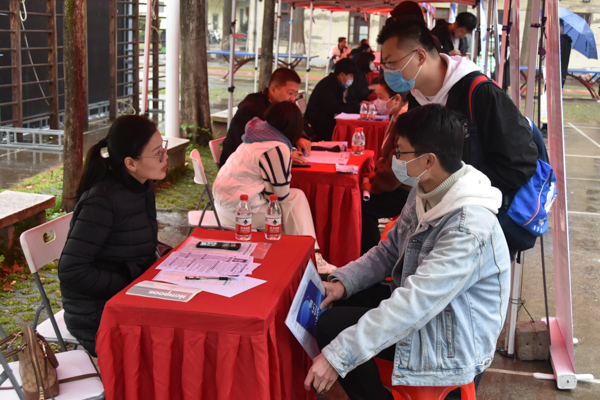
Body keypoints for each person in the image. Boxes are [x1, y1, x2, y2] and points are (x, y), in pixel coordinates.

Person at [304, 104, 511, 399]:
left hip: (450, 342)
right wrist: (343, 282)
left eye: (400, 153)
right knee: (332, 308)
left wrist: (338, 355)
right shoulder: (424, 188)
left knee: (335, 333)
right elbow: (389, 250)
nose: (394, 160)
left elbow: (416, 302)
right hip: (428, 310)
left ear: (428, 160)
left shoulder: (467, 228)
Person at [378, 18, 538, 257]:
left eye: (391, 63)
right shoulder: (417, 99)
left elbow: (520, 163)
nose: (387, 72)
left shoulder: (480, 93)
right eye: (384, 64)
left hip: (477, 226)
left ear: (420, 56)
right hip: (437, 221)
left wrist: (462, 191)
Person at [58, 115, 168, 356]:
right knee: (173, 342)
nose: (165, 157)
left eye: (164, 148)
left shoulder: (142, 186)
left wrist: (166, 256)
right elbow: (72, 271)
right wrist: (129, 284)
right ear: (130, 163)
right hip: (98, 314)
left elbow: (134, 240)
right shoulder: (102, 201)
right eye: (157, 153)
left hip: (130, 298)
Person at [213, 101, 336, 273]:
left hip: (222, 205)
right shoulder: (277, 147)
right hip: (239, 213)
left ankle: (301, 259)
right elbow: (279, 194)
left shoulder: (255, 135)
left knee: (296, 199)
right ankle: (311, 259)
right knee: (293, 207)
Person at [220, 68, 311, 166]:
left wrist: (298, 138)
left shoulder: (281, 108)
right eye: (290, 93)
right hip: (239, 166)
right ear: (273, 89)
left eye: (296, 94)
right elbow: (248, 148)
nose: (293, 99)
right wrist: (283, 155)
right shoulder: (250, 109)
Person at [360, 76, 409, 254]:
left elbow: (396, 166)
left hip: (403, 189)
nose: (377, 102)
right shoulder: (397, 116)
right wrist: (377, 175)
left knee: (363, 206)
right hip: (397, 182)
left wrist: (373, 187)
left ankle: (368, 256)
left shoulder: (404, 121)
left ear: (396, 99)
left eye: (380, 97)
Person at [304, 58, 361, 142]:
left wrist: (358, 106)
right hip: (317, 125)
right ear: (342, 75)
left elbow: (340, 105)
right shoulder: (327, 86)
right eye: (350, 76)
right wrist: (358, 107)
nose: (352, 79)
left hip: (325, 121)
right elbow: (335, 108)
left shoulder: (337, 85)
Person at [560, 19, 572, 88]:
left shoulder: (562, 41)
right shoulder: (566, 40)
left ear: (561, 28)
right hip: (562, 73)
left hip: (558, 73)